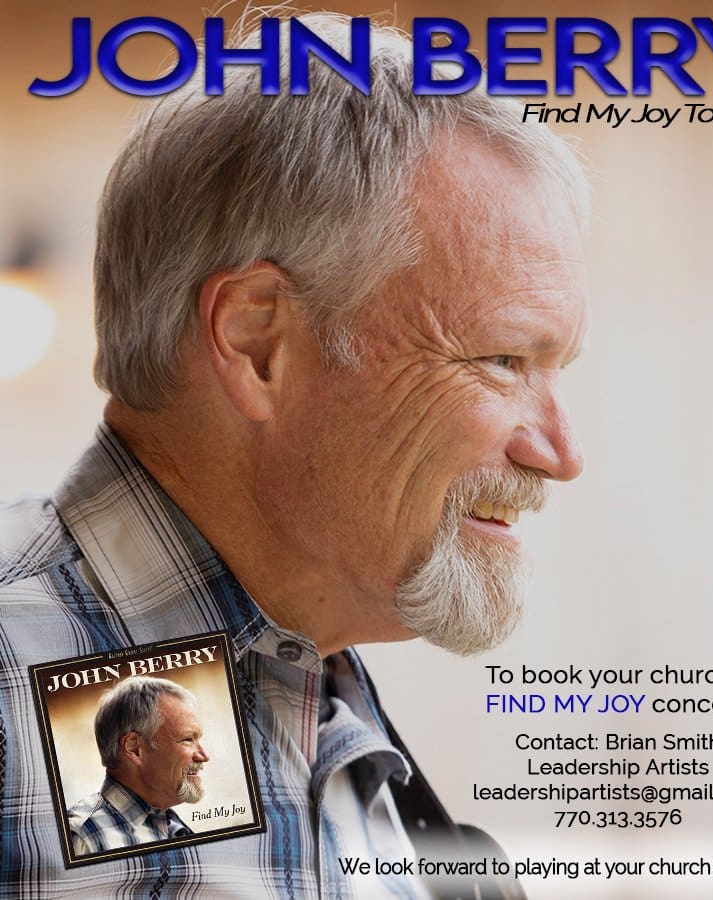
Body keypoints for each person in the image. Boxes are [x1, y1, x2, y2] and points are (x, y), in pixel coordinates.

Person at [0, 11, 588, 898]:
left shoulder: (357, 757)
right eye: (501, 359)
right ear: (258, 343)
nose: (559, 453)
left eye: (555, 367)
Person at [67, 677, 209, 856]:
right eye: (188, 739)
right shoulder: (84, 836)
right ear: (134, 748)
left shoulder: (174, 827)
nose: (204, 756)